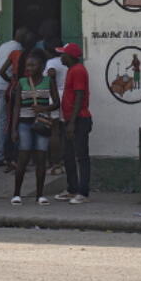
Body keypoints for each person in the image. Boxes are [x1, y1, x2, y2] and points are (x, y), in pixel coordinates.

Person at [10, 48, 60, 206]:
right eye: (27, 65)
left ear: (41, 66)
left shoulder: (49, 81)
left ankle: (40, 195)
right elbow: (16, 107)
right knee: (23, 158)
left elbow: (57, 103)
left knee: (41, 159)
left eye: (33, 65)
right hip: (25, 124)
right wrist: (13, 129)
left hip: (42, 124)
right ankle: (16, 194)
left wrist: (44, 109)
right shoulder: (22, 83)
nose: (29, 68)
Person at [53, 43, 92, 204]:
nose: (60, 57)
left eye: (62, 54)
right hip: (70, 119)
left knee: (81, 156)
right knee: (68, 155)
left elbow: (79, 96)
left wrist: (72, 123)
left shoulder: (78, 71)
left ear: (70, 57)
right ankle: (72, 188)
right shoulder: (71, 70)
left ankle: (83, 192)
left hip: (79, 119)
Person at [0, 28, 26, 167]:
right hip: (5, 88)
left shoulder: (4, 45)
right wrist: (12, 80)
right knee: (6, 122)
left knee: (5, 121)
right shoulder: (19, 49)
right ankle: (0, 155)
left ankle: (3, 153)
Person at [43, 45, 68, 176]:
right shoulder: (68, 61)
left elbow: (49, 76)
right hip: (67, 96)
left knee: (54, 132)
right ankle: (64, 162)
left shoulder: (51, 62)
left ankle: (55, 164)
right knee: (65, 130)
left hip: (55, 96)